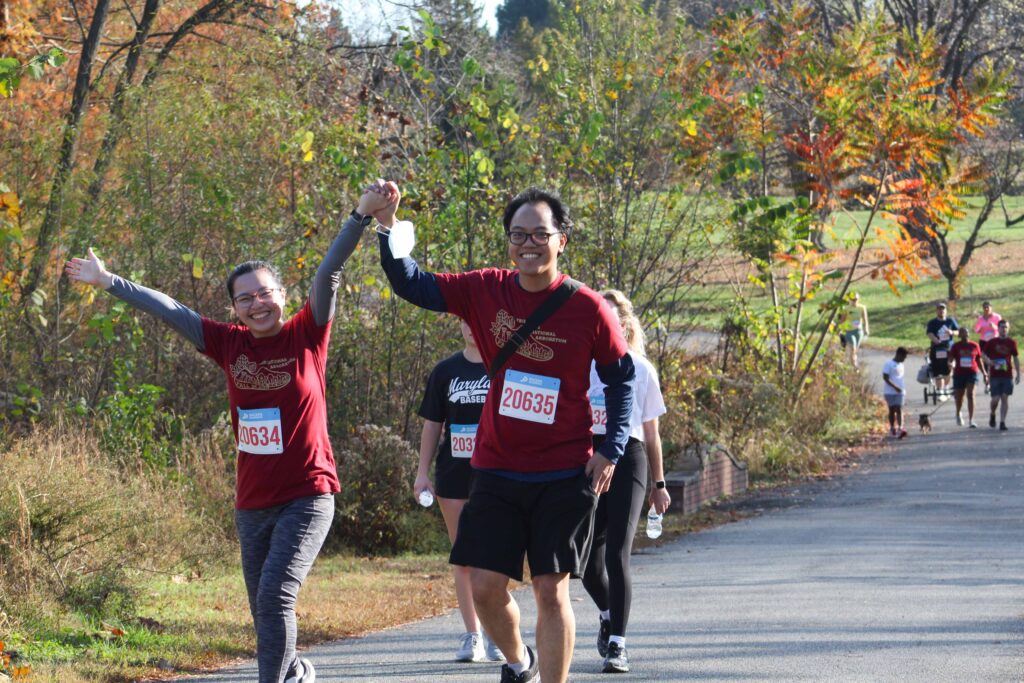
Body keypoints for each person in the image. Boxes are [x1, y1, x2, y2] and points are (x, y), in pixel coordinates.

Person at [65, 205, 377, 683]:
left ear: (282, 296)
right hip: (252, 501)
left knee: (275, 597)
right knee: (264, 608)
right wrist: (109, 280)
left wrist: (359, 216)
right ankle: (296, 670)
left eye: (265, 294)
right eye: (245, 298)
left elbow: (329, 272)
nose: (257, 304)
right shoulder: (228, 343)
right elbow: (170, 309)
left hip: (308, 494)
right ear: (234, 307)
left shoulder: (307, 334)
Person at [368, 180, 635, 683]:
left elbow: (623, 379)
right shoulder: (483, 289)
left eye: (539, 234)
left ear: (561, 241)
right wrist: (387, 227)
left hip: (563, 470)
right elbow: (411, 283)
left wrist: (611, 449)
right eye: (518, 235)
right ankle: (520, 662)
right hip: (494, 467)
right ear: (509, 242)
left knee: (550, 589)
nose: (528, 244)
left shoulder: (589, 308)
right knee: (487, 587)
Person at [581, 289, 671, 674]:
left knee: (618, 551)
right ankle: (606, 613)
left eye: (616, 317)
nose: (609, 323)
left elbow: (651, 434)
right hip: (589, 455)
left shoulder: (641, 368)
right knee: (583, 557)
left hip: (630, 457)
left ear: (624, 323)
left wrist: (660, 484)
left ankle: (618, 644)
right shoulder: (581, 365)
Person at [414, 319, 504, 664]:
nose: (472, 327)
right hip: (454, 475)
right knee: (463, 555)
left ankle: (498, 631)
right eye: (466, 321)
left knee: (495, 556)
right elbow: (432, 424)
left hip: (498, 475)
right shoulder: (445, 370)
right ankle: (473, 635)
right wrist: (422, 473)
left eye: (476, 320)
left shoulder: (505, 365)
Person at [981, 319, 1020, 431]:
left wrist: (1018, 374)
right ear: (998, 329)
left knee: (1004, 398)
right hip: (995, 375)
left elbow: (1016, 358)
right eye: (1002, 327)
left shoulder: (1012, 343)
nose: (1004, 329)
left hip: (1007, 375)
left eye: (1006, 327)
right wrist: (988, 361)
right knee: (995, 399)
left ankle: (1002, 421)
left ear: (1008, 329)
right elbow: (982, 354)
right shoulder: (992, 342)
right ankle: (992, 413)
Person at [950, 328, 987, 428]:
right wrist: (951, 364)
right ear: (959, 335)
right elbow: (951, 359)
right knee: (959, 397)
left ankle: (971, 420)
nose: (965, 333)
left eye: (966, 331)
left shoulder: (975, 345)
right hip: (959, 373)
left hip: (972, 373)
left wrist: (984, 373)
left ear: (968, 334)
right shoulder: (955, 346)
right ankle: (958, 413)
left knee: (970, 394)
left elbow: (979, 360)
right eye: (962, 332)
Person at [925, 302, 959, 395]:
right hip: (936, 349)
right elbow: (929, 333)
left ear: (946, 310)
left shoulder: (950, 321)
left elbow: (959, 332)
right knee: (937, 369)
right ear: (937, 311)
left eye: (943, 309)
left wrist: (952, 332)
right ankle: (940, 389)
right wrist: (935, 340)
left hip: (949, 348)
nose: (941, 311)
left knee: (949, 367)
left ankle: (945, 386)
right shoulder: (932, 322)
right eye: (939, 309)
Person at [882, 347, 909, 438]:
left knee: (899, 408)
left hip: (900, 391)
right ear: (898, 354)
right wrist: (895, 387)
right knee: (892, 409)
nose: (904, 359)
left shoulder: (901, 365)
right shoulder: (889, 364)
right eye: (903, 357)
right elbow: (885, 378)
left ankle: (901, 428)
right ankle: (892, 427)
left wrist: (900, 388)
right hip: (889, 392)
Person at [837, 292, 869, 368]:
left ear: (858, 299)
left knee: (855, 350)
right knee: (853, 347)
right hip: (849, 331)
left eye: (856, 299)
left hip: (858, 331)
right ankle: (854, 365)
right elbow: (842, 320)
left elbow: (865, 319)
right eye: (853, 299)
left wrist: (866, 328)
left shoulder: (862, 308)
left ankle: (852, 362)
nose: (854, 301)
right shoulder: (846, 309)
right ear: (849, 300)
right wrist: (840, 329)